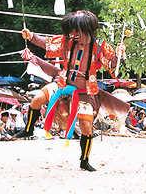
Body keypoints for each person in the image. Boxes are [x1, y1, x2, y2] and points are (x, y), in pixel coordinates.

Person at [20, 10, 126, 171]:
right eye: (71, 31)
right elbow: (47, 43)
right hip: (63, 83)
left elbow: (114, 68)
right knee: (37, 99)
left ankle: (84, 160)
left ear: (86, 29)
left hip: (85, 91)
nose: (73, 34)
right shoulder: (67, 42)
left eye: (76, 31)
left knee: (85, 124)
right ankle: (28, 130)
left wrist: (119, 56)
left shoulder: (100, 48)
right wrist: (31, 36)